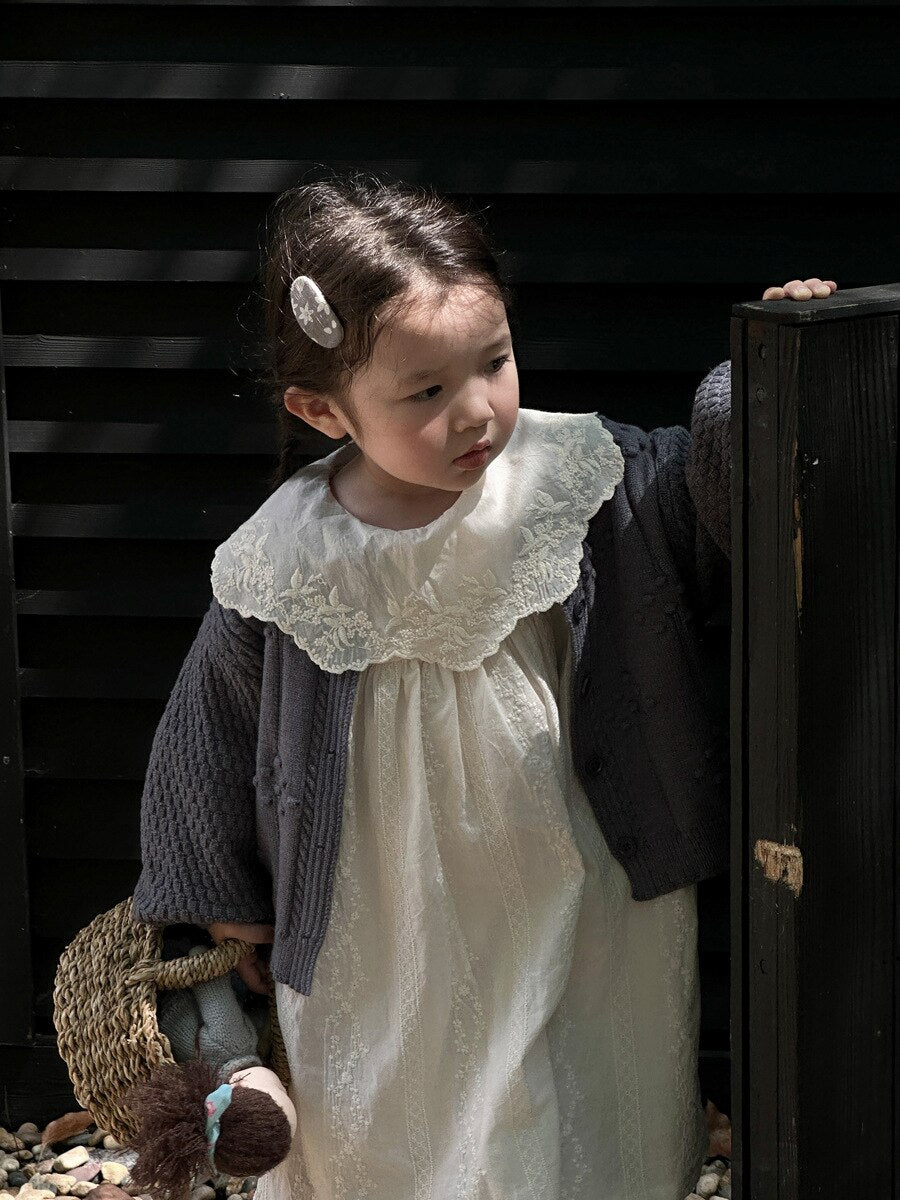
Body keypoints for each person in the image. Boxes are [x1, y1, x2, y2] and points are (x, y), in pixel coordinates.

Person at [131, 170, 837, 1200]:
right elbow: (207, 736)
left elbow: (731, 494)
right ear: (322, 410)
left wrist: (772, 372)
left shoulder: (586, 478)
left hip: (581, 884)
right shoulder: (283, 560)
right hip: (376, 907)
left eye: (494, 362)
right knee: (387, 1106)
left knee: (577, 1100)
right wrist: (226, 906)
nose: (477, 410)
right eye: (425, 393)